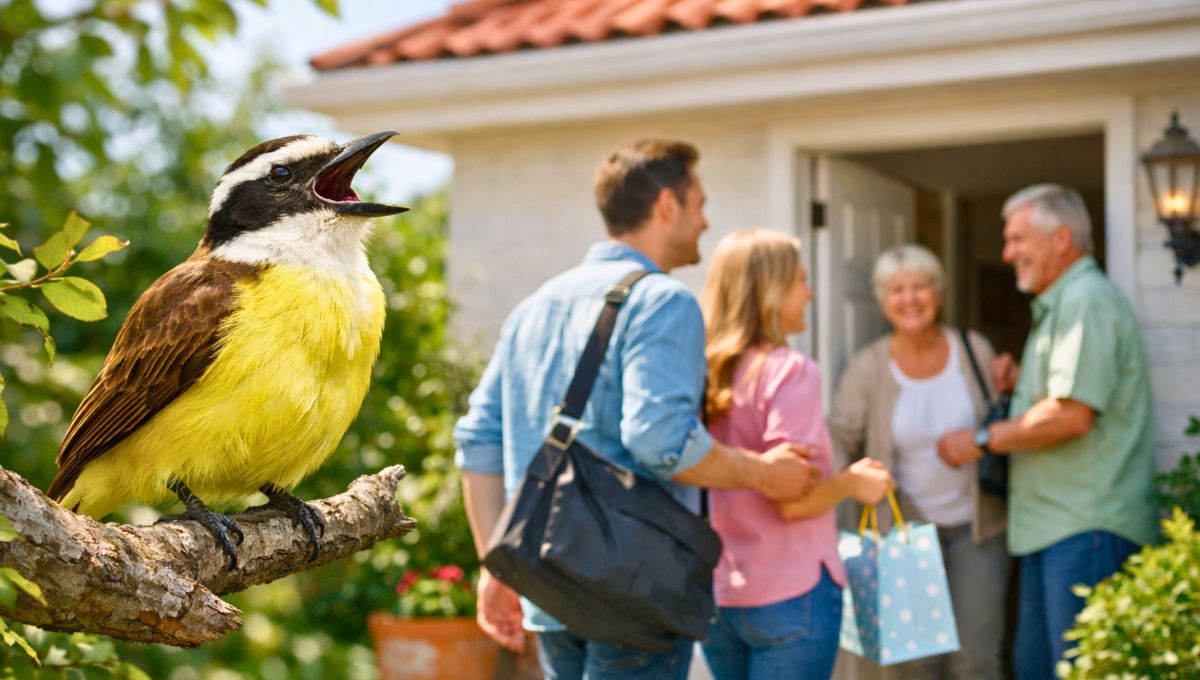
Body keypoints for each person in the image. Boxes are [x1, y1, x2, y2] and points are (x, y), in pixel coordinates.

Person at [453, 140, 820, 680]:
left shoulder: (533, 307)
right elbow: (660, 441)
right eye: (699, 203)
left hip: (546, 582)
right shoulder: (663, 301)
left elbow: (478, 442)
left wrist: (497, 566)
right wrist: (765, 474)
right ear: (667, 205)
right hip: (631, 590)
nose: (705, 220)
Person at [936, 184, 1157, 679]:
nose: (1007, 253)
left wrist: (979, 441)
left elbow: (1069, 416)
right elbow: (1062, 399)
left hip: (1086, 528)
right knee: (1037, 668)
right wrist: (1021, 387)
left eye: (1017, 239)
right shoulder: (1061, 306)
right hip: (1056, 526)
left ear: (1061, 239)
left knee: (1079, 671)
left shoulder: (1085, 302)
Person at [698, 228, 894, 680]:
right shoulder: (791, 372)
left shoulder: (701, 373)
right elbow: (792, 499)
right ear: (769, 290)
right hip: (791, 591)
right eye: (800, 280)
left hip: (718, 593)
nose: (809, 292)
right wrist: (851, 482)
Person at [828, 244, 1010, 680]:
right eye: (897, 290)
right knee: (914, 663)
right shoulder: (867, 367)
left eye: (920, 287)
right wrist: (847, 483)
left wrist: (1013, 380)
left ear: (939, 292)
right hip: (902, 534)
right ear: (882, 300)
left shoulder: (973, 349)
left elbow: (1003, 414)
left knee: (977, 658)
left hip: (977, 528)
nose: (910, 299)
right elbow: (837, 436)